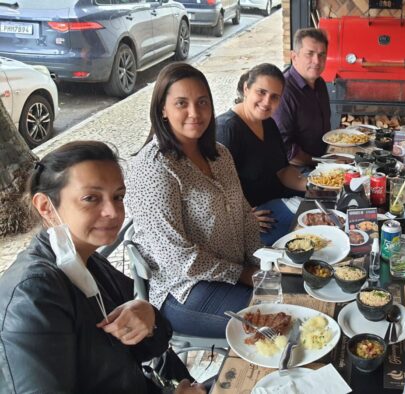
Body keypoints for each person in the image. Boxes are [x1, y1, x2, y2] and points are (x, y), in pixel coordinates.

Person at [0, 141, 204, 394]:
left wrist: (149, 317)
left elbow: (147, 347)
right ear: (46, 207)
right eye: (91, 198)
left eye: (118, 196)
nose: (113, 211)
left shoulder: (89, 261)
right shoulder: (33, 295)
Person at [126, 63, 261, 338]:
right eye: (181, 103)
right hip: (184, 291)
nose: (194, 113)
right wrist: (243, 274)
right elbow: (178, 258)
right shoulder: (153, 167)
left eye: (202, 102)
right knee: (274, 321)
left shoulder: (220, 154)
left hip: (233, 272)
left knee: (291, 293)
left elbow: (245, 214)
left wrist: (260, 263)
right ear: (163, 109)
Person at [217, 64, 306, 245]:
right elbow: (216, 189)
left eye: (274, 97)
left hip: (278, 201)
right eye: (261, 92)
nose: (266, 102)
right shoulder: (226, 129)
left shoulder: (269, 123)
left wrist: (312, 185)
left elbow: (283, 170)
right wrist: (244, 218)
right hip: (257, 219)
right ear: (246, 89)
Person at [272, 27, 331, 167]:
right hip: (297, 169)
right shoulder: (284, 91)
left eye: (322, 55)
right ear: (294, 57)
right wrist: (321, 163)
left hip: (323, 159)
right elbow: (285, 148)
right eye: (309, 54)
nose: (317, 61)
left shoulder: (320, 83)